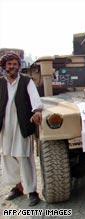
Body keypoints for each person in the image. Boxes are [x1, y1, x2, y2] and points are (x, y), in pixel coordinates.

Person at [0, 52, 43, 206]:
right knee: (8, 157)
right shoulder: (1, 83)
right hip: (5, 127)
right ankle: (18, 187)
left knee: (24, 157)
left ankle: (32, 191)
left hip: (22, 125)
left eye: (15, 64)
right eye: (9, 64)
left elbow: (35, 100)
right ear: (4, 66)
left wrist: (37, 112)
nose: (12, 67)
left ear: (19, 66)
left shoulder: (26, 82)